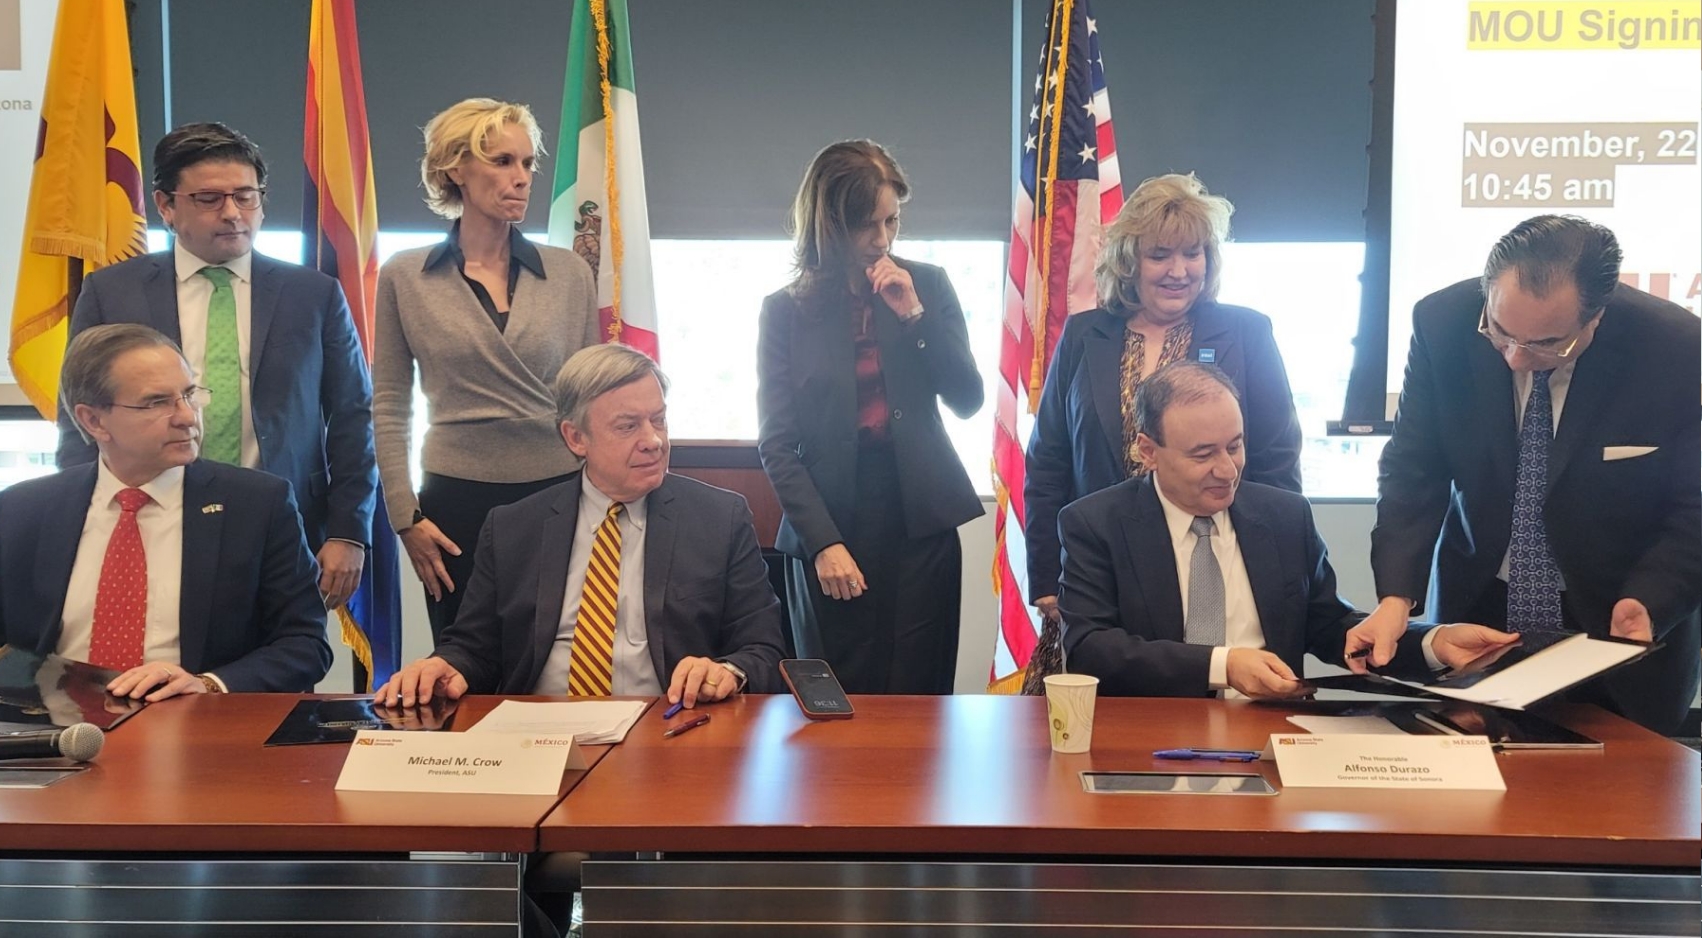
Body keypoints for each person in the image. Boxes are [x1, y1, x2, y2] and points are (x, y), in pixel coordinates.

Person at [1348, 215, 1700, 734]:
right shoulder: (1442, 322)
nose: (1515, 358)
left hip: (1620, 629)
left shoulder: (1675, 347)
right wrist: (1396, 597)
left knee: (1621, 803)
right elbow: (1414, 467)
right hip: (1481, 613)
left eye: (1546, 345)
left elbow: (1694, 502)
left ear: (1595, 316)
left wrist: (1650, 598)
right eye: (1500, 333)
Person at [57, 122, 377, 611]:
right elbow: (78, 418)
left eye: (246, 197)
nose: (232, 214)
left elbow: (354, 416)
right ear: (166, 206)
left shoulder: (312, 295)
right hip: (149, 515)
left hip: (283, 521)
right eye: (209, 199)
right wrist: (79, 517)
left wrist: (349, 531)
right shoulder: (112, 292)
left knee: (278, 668)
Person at [1060, 362, 1509, 698]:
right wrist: (1224, 665)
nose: (1226, 469)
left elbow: (1330, 627)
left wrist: (1431, 641)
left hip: (1269, 732)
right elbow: (1091, 647)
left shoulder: (1284, 516)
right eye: (1202, 455)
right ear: (1148, 450)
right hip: (1149, 733)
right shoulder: (1096, 523)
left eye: (1235, 446)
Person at [378, 344, 786, 708]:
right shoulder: (513, 528)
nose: (654, 440)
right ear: (576, 438)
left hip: (668, 727)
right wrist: (444, 666)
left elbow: (763, 649)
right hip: (540, 733)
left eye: (658, 420)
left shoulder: (719, 517)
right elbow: (475, 647)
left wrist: (728, 671)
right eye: (628, 426)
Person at [1022, 173, 1301, 690]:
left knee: (1207, 697)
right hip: (1101, 567)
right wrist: (1045, 574)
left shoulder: (1245, 332)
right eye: (1160, 256)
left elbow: (1277, 457)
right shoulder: (1085, 335)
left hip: (1209, 557)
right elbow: (1049, 460)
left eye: (1193, 254)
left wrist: (1276, 566)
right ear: (1129, 261)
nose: (1179, 271)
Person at [756, 140, 983, 695]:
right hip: (831, 521)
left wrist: (914, 318)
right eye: (866, 225)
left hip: (920, 517)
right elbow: (777, 444)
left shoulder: (926, 284)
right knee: (837, 692)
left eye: (892, 221)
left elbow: (968, 399)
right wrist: (823, 542)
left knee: (921, 689)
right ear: (828, 224)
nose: (882, 240)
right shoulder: (785, 310)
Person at [374, 98, 601, 640]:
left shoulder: (569, 273)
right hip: (454, 499)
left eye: (527, 164)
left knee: (560, 653)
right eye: (502, 162)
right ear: (455, 168)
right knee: (465, 661)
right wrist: (404, 517)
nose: (521, 178)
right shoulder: (405, 276)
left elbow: (593, 396)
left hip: (559, 491)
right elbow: (388, 403)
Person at [4, 325, 331, 699]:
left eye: (189, 395)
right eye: (157, 402)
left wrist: (207, 685)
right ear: (93, 420)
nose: (187, 417)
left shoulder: (257, 504)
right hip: (56, 737)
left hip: (195, 731)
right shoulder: (22, 510)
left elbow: (305, 644)